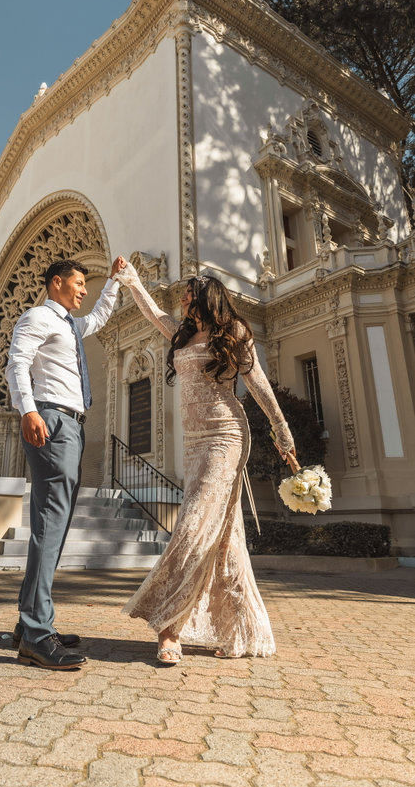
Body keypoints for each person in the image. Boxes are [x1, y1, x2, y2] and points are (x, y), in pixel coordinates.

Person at [113, 260, 296, 665]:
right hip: (193, 444)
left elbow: (258, 383)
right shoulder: (181, 334)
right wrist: (132, 281)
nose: (179, 300)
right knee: (226, 537)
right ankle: (242, 630)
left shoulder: (234, 334)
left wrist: (282, 431)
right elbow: (153, 312)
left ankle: (169, 628)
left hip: (226, 438)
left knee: (192, 524)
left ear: (204, 298)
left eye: (186, 294)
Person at [6, 255, 125, 669]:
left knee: (55, 522)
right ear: (57, 283)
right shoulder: (37, 316)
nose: (83, 290)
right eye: (78, 283)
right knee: (51, 524)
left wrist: (113, 282)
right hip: (51, 419)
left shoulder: (71, 326)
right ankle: (38, 634)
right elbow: (17, 363)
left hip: (71, 424)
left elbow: (100, 317)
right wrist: (28, 410)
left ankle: (28, 623)